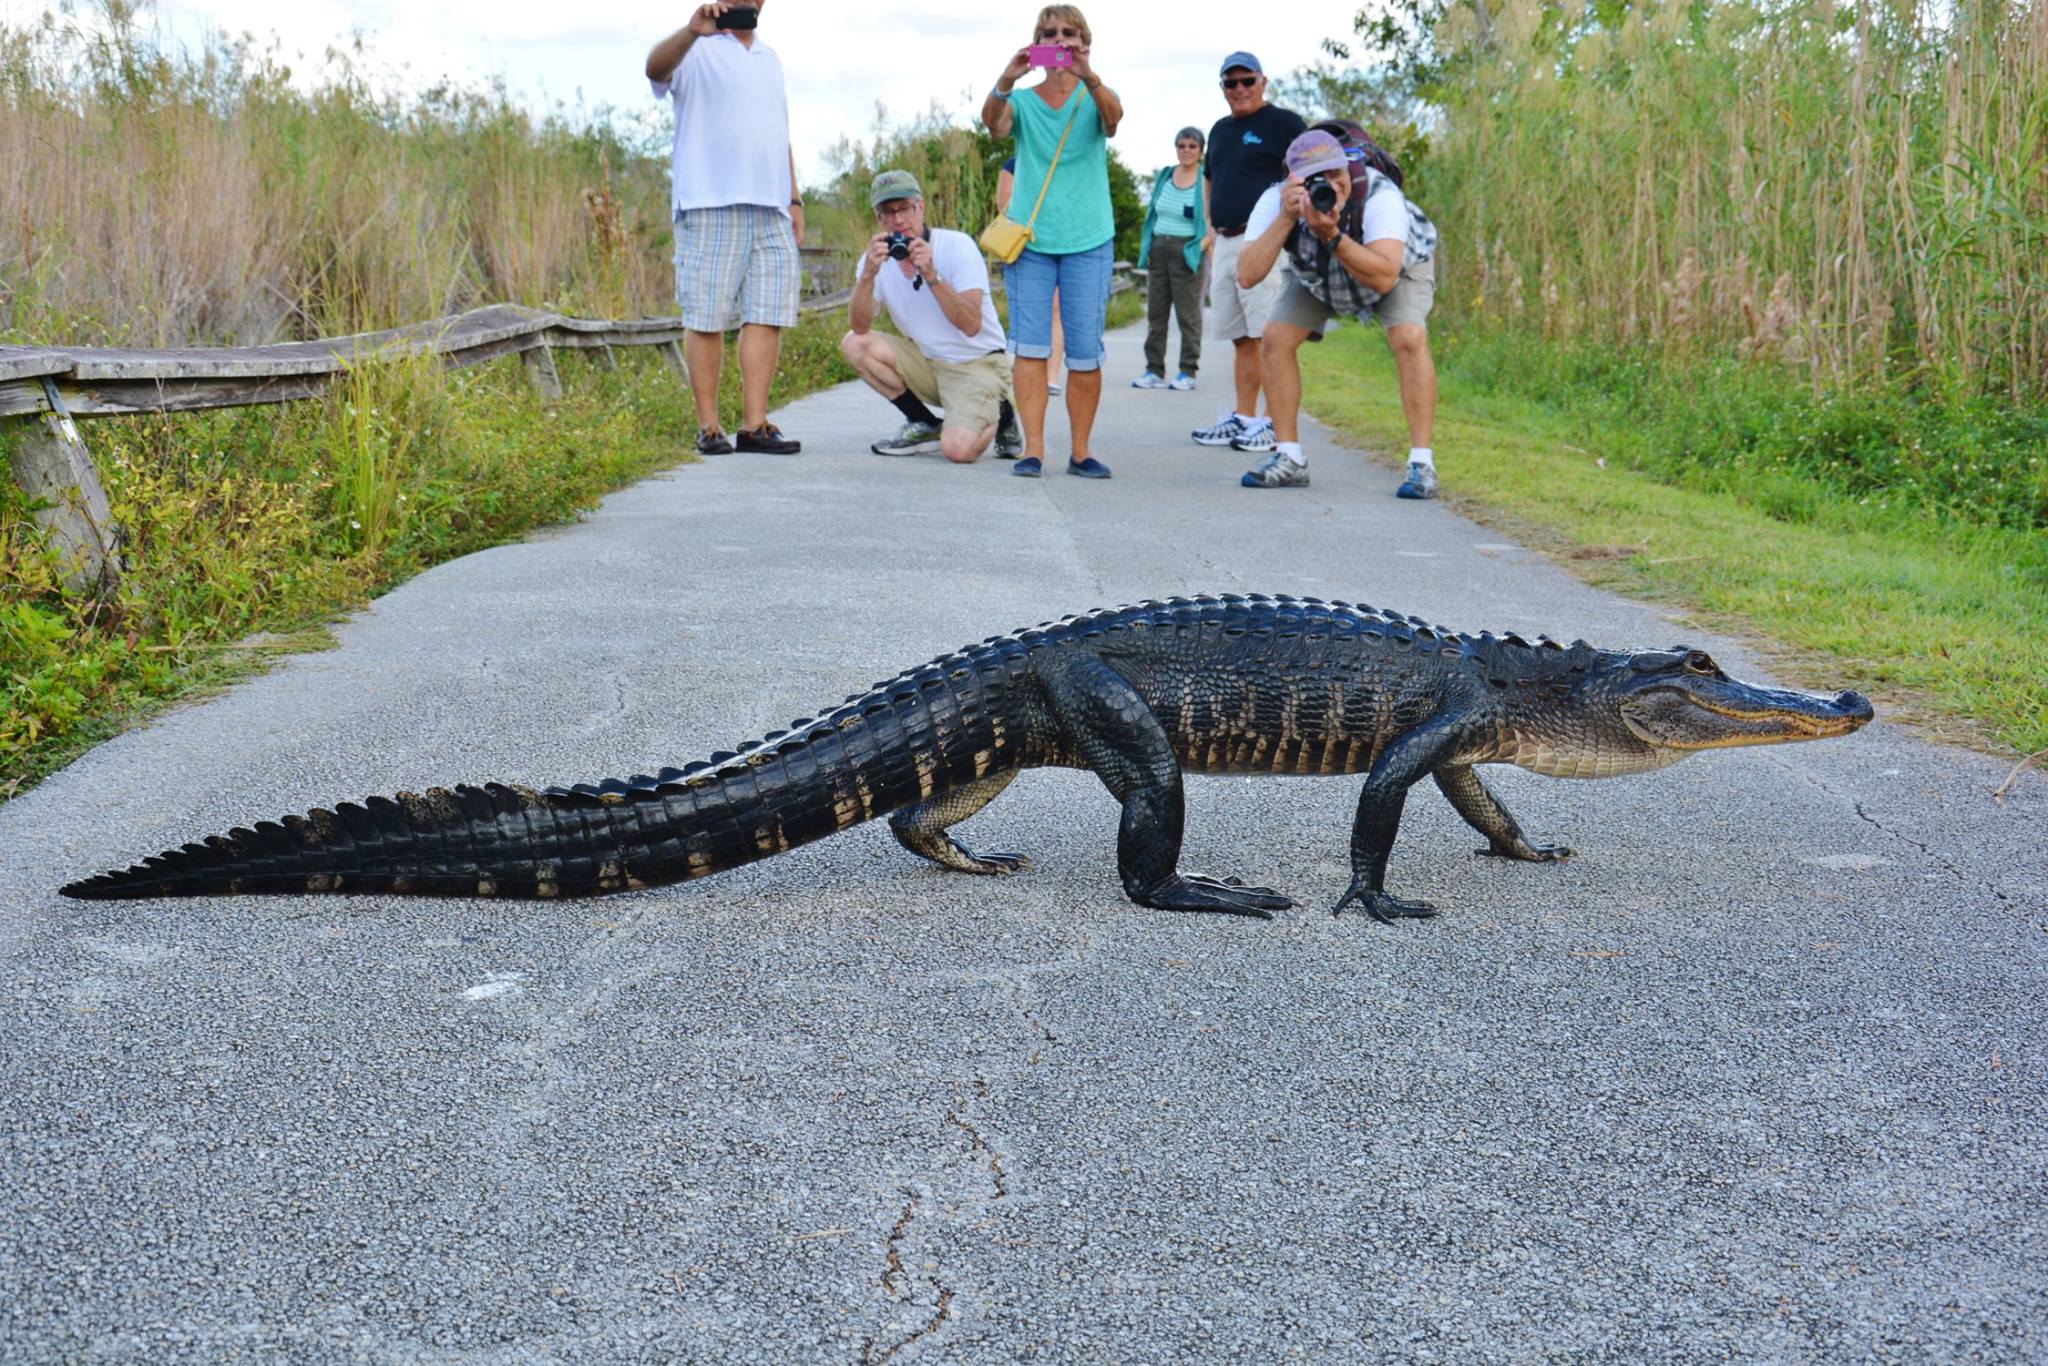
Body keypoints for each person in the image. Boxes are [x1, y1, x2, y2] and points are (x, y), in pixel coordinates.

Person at [1232, 125, 1441, 494]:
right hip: (1319, 272)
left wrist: (1331, 236)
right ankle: (1289, 457)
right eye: (1316, 178)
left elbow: (1384, 276)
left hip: (1392, 265)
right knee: (1276, 337)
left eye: (1335, 172)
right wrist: (1285, 218)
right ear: (1293, 179)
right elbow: (1247, 276)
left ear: (1349, 167)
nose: (1330, 185)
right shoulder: (1277, 200)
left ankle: (1422, 464)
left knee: (1408, 337)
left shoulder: (1378, 194)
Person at [645, 1, 803, 456]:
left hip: (770, 206)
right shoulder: (694, 47)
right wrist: (693, 30)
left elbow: (779, 132)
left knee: (767, 312)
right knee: (707, 315)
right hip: (711, 199)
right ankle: (709, 425)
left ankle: (755, 424)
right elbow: (654, 68)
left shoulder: (769, 58)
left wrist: (794, 198)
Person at [980, 5, 1121, 480]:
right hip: (1032, 241)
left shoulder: (1094, 94)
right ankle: (1033, 450)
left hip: (1088, 239)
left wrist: (1087, 73)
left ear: (1085, 39)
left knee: (1084, 349)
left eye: (1069, 32)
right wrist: (1007, 78)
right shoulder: (1022, 102)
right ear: (1036, 42)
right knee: (1031, 348)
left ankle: (1081, 451)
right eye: (1049, 33)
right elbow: (993, 123)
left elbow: (1114, 120)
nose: (1059, 39)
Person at [840, 170, 1025, 463]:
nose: (898, 219)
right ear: (879, 219)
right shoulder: (875, 260)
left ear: (920, 208)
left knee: (957, 450)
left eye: (904, 208)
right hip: (927, 362)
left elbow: (971, 325)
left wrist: (931, 273)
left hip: (977, 364)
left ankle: (1001, 412)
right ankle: (924, 422)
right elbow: (860, 326)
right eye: (888, 212)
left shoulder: (957, 246)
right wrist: (867, 276)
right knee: (854, 343)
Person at [1190, 51, 1305, 454]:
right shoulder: (1220, 130)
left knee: (1270, 334)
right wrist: (1209, 226)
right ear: (1223, 88)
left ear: (1262, 82)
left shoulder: (1284, 123)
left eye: (1247, 81)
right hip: (1225, 240)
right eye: (1230, 83)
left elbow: (1306, 172)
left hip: (1266, 244)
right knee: (1240, 336)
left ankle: (1275, 423)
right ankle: (1245, 418)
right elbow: (1209, 179)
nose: (1239, 89)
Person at [1132, 127, 1206, 392]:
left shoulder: (1205, 179)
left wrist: (1199, 249)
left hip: (1186, 251)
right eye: (1182, 145)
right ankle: (1154, 369)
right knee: (1156, 312)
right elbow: (1154, 211)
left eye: (1192, 146)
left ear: (1201, 150)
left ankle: (1188, 371)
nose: (1186, 151)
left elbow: (1212, 222)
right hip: (1159, 248)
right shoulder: (1165, 176)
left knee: (1188, 315)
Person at [996, 158, 1064, 395]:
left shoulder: (1062, 163)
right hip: (1026, 245)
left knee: (1056, 309)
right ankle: (1022, 373)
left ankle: (1052, 377)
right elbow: (1004, 206)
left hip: (1062, 242)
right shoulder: (1015, 164)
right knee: (1027, 311)